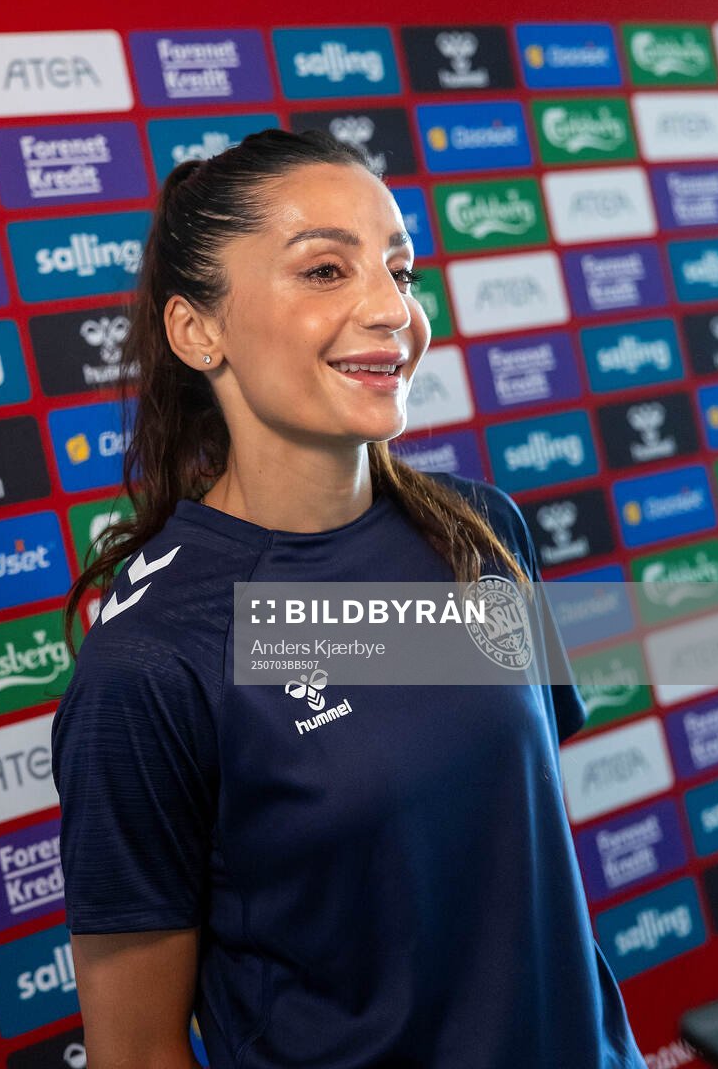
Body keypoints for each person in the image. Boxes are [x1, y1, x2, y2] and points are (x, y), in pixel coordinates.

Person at [50, 127, 648, 1069]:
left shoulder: (478, 529)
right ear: (196, 330)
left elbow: (509, 860)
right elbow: (134, 1050)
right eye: (325, 271)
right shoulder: (154, 659)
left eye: (400, 271)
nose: (390, 309)